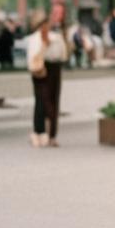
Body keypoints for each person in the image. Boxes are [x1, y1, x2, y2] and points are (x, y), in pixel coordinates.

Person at [26, 8, 68, 147]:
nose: (46, 25)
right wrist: (45, 44)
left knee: (54, 101)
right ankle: (39, 131)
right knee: (42, 101)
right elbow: (33, 58)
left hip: (54, 69)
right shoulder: (34, 39)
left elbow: (63, 54)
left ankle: (51, 134)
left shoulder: (56, 37)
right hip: (41, 70)